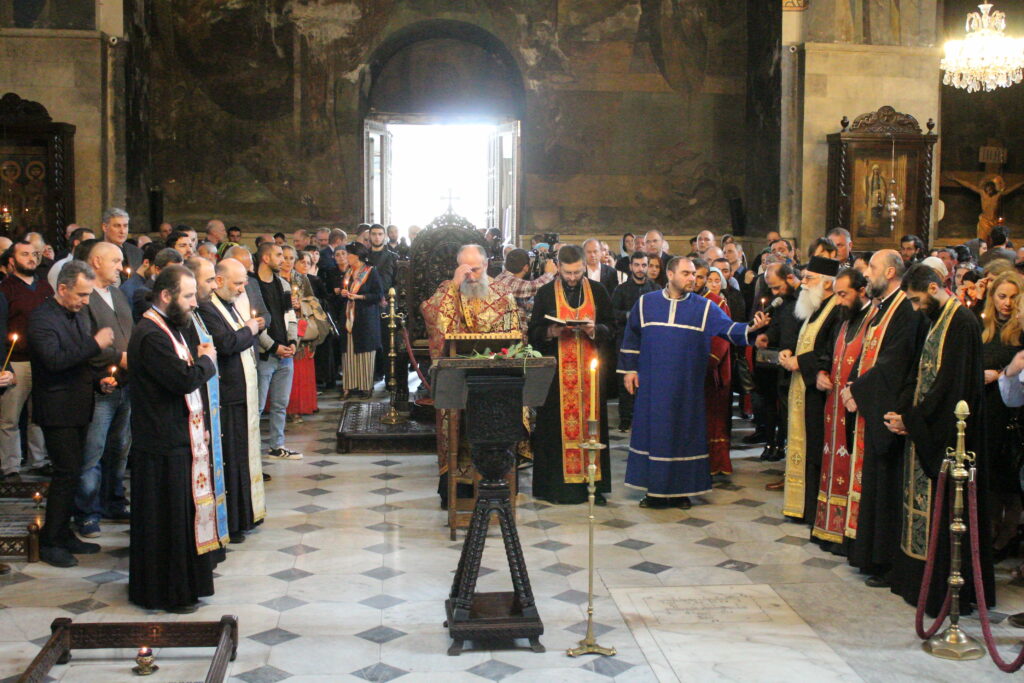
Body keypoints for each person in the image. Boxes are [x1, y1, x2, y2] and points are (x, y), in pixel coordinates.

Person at [882, 264, 992, 616]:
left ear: (933, 287)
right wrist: (903, 413)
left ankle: (941, 591)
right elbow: (921, 374)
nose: (914, 308)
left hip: (948, 438)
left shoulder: (962, 323)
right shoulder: (937, 320)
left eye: (916, 300)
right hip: (924, 429)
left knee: (944, 514)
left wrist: (912, 421)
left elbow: (952, 391)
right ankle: (917, 581)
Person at [620, 256, 769, 509]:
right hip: (653, 388)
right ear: (670, 274)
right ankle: (655, 492)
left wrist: (751, 331)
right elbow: (632, 337)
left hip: (686, 388)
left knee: (683, 437)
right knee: (655, 437)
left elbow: (728, 329)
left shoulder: (703, 307)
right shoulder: (646, 303)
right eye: (687, 274)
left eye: (694, 274)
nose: (693, 279)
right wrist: (629, 371)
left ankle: (681, 492)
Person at [128, 265, 221, 612]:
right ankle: (167, 591)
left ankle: (186, 585)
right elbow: (182, 380)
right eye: (188, 295)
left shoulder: (169, 326)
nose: (195, 302)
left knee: (181, 516)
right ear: (166, 296)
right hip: (161, 442)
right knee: (167, 521)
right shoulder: (151, 334)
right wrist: (207, 362)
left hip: (176, 436)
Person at [841, 250, 922, 588]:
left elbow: (893, 363)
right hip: (870, 407)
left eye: (872, 268)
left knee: (885, 486)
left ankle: (884, 560)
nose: (867, 273)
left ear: (889, 271)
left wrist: (856, 391)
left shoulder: (903, 309)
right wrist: (855, 386)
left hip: (887, 411)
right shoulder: (881, 308)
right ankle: (867, 554)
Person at [420, 243, 523, 507]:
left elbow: (514, 337)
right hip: (456, 382)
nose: (470, 276)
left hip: (493, 381)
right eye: (464, 270)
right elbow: (432, 317)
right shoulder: (449, 289)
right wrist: (455, 285)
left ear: (487, 265)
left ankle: (497, 487)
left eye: (475, 269)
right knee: (457, 433)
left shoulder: (503, 294)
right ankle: (459, 493)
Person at [28, 261, 114, 567]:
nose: (85, 301)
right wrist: (95, 344)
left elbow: (79, 361)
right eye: (80, 294)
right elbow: (54, 360)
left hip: (79, 405)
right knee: (65, 474)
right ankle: (51, 541)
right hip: (57, 409)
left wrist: (98, 380)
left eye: (89, 294)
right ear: (62, 289)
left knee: (74, 472)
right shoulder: (41, 318)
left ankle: (63, 533)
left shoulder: (76, 314)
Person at [528, 245, 613, 506]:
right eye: (568, 272)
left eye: (577, 272)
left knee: (591, 427)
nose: (573, 277)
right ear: (559, 267)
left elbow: (612, 328)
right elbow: (533, 333)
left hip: (590, 374)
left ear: (584, 266)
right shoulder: (545, 293)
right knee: (554, 428)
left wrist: (593, 329)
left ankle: (593, 486)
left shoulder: (597, 291)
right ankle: (555, 487)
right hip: (557, 378)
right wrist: (551, 332)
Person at [197, 258, 267, 542]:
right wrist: (250, 329)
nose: (242, 288)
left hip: (241, 395)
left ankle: (246, 515)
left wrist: (247, 331)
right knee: (231, 460)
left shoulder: (227, 305)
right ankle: (234, 521)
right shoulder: (208, 308)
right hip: (227, 398)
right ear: (220, 280)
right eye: (238, 283)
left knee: (242, 458)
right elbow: (226, 344)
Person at [74, 243, 133, 539]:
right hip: (100, 386)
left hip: (126, 383)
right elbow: (87, 342)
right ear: (96, 261)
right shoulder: (86, 297)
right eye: (116, 261)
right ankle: (87, 512)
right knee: (92, 452)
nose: (121, 267)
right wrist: (118, 358)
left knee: (119, 448)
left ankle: (114, 501)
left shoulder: (119, 294)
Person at [811, 268, 873, 548]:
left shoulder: (874, 320)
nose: (838, 301)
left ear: (862, 292)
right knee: (831, 461)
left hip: (855, 409)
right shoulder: (843, 318)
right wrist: (821, 371)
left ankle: (848, 533)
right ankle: (828, 528)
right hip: (832, 405)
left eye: (843, 294)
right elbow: (826, 350)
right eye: (836, 294)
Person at [777, 256, 840, 523]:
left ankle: (811, 509)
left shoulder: (836, 310)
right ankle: (800, 505)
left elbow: (831, 350)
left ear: (827, 284)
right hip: (803, 388)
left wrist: (799, 362)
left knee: (815, 447)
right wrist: (789, 352)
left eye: (809, 278)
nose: (803, 283)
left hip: (817, 392)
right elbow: (805, 341)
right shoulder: (816, 307)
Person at [977, 271, 1023, 558]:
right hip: (986, 409)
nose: (1006, 303)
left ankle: (1008, 532)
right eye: (1001, 296)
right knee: (990, 475)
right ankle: (992, 530)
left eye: (1013, 297)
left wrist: (1001, 374)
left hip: (1012, 413)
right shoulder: (983, 327)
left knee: (1009, 479)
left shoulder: (1020, 330)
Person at [0, 240, 53, 480]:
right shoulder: (6, 288)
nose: (31, 258)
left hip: (42, 359)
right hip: (17, 359)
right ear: (12, 261)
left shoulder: (44, 287)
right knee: (10, 416)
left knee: (39, 414)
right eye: (25, 254)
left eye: (34, 254)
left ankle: (38, 459)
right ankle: (10, 464)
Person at [255, 242, 302, 460]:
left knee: (280, 404)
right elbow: (253, 322)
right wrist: (273, 346)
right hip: (265, 354)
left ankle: (277, 445)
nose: (283, 260)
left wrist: (293, 342)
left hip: (285, 353)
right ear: (265, 258)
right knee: (257, 406)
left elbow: (290, 316)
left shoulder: (283, 284)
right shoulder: (252, 285)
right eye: (279, 255)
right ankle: (251, 452)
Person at [756, 263, 801, 464]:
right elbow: (779, 326)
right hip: (781, 364)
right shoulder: (783, 301)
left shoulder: (805, 299)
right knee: (779, 407)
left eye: (777, 287)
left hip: (799, 366)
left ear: (790, 278)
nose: (774, 293)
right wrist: (766, 336)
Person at [610, 252, 656, 432]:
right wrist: (630, 315)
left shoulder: (655, 288)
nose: (640, 269)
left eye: (644, 265)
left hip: (649, 342)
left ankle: (644, 417)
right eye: (636, 265)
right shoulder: (621, 290)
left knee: (647, 381)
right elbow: (612, 313)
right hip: (625, 341)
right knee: (625, 381)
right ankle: (625, 418)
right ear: (630, 266)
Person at [337, 242, 382, 399]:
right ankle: (349, 386)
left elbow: (378, 295)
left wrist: (359, 297)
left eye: (348, 254)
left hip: (365, 318)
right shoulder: (349, 272)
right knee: (348, 351)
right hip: (349, 317)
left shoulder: (371, 272)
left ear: (356, 256)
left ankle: (365, 386)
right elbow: (344, 290)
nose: (345, 257)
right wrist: (343, 293)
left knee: (365, 353)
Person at [702, 267, 734, 478]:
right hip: (684, 370)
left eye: (697, 276)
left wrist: (708, 362)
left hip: (707, 370)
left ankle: (714, 462)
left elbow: (723, 335)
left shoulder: (717, 303)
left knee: (712, 417)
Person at [286, 251, 323, 418]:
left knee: (301, 371)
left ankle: (301, 407)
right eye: (283, 258)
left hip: (301, 326)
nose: (286, 262)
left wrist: (300, 304)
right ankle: (285, 408)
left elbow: (313, 301)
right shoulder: (271, 279)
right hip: (282, 327)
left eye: (290, 258)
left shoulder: (301, 278)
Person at [492, 248, 556, 321]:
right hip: (509, 329)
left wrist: (527, 305)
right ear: (525, 267)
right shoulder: (507, 281)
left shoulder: (502, 277)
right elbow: (534, 287)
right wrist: (550, 273)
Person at [130, 247, 184, 321]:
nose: (177, 275)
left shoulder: (177, 289)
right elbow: (164, 318)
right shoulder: (143, 293)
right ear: (158, 270)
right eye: (172, 271)